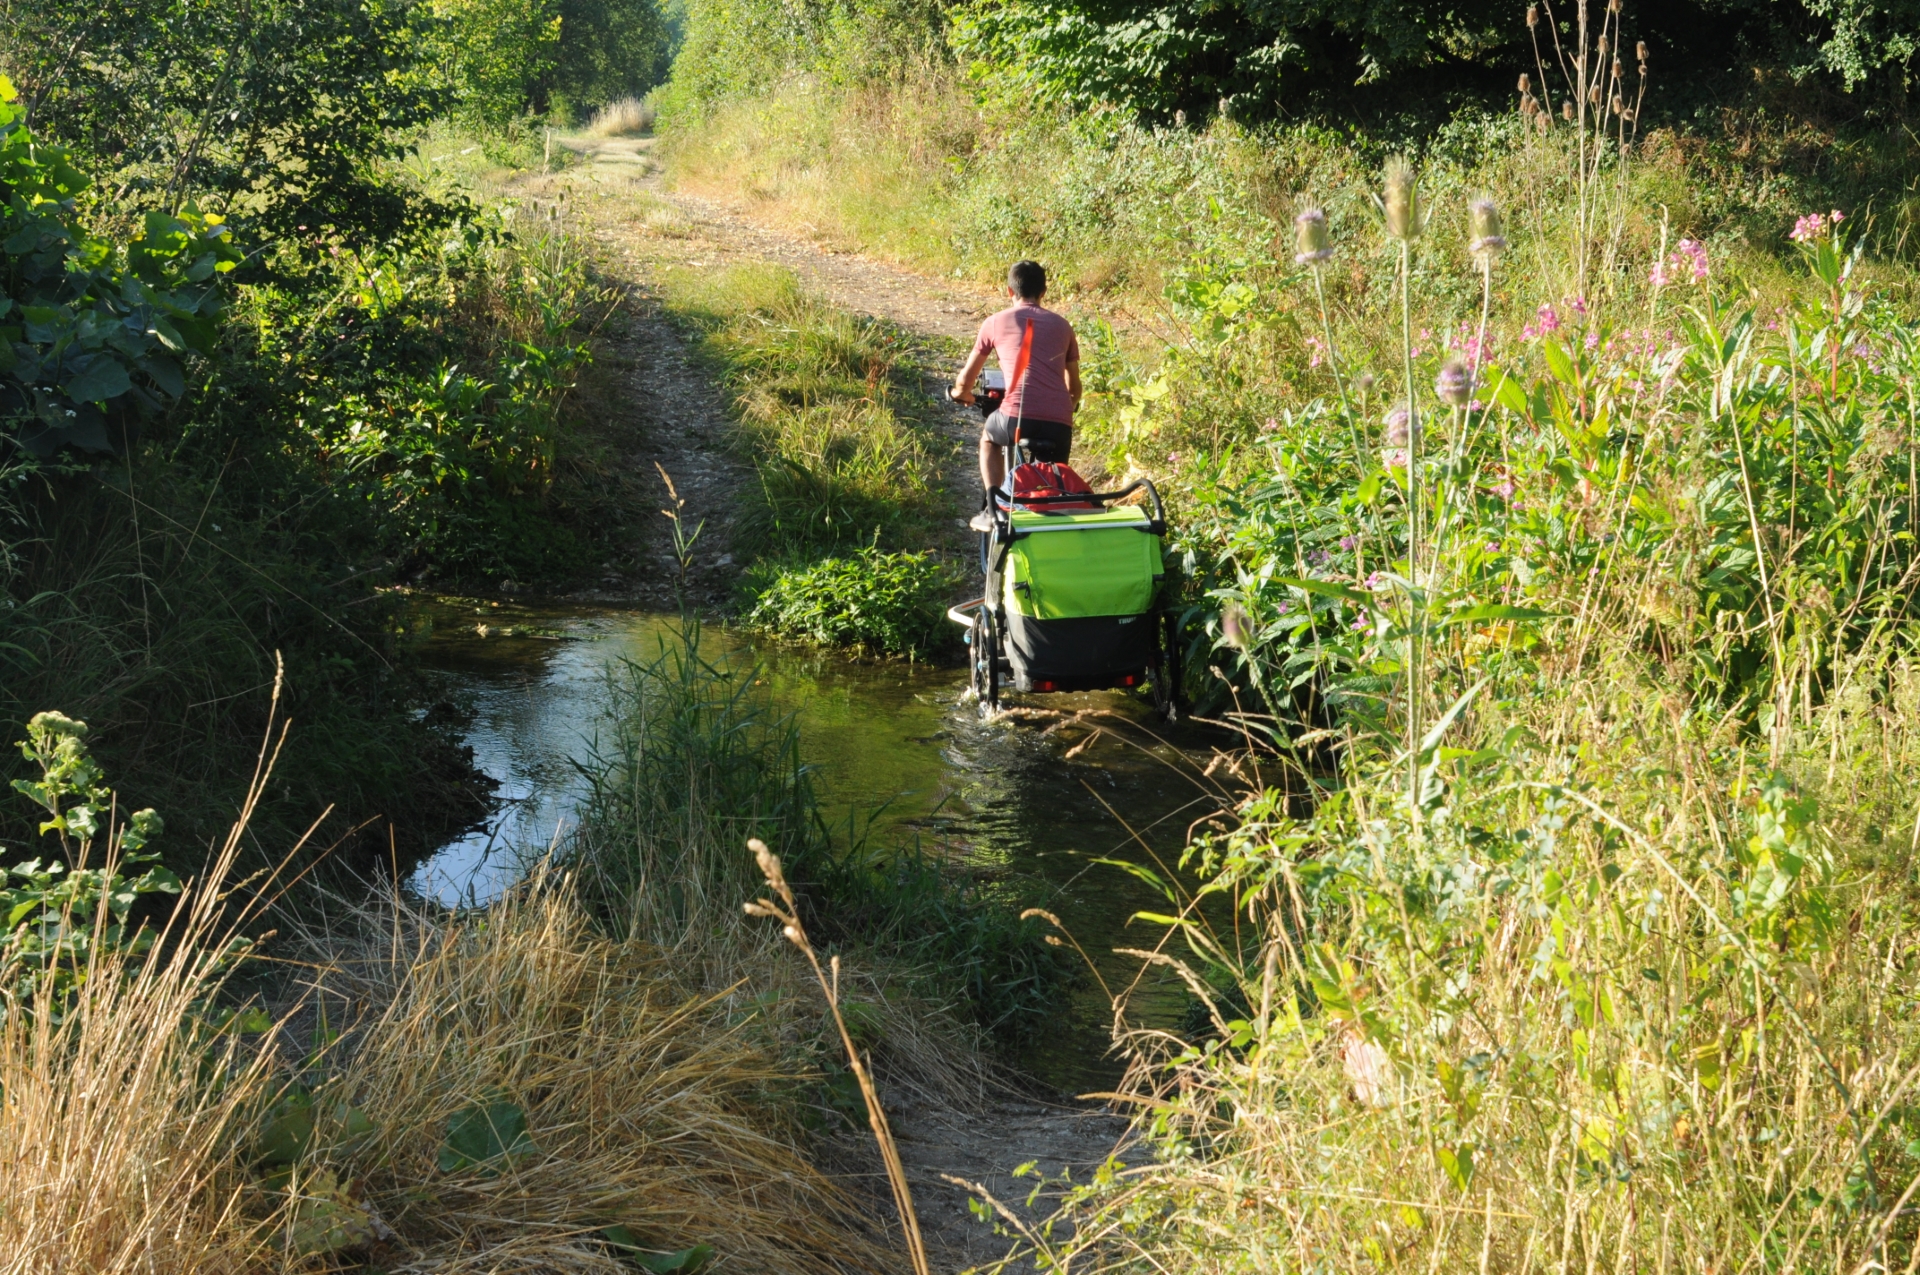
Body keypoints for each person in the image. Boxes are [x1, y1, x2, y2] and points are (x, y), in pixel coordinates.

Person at [951, 260, 1081, 527]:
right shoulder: (1063, 326)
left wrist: (961, 393)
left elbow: (967, 378)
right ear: (1044, 292)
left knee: (989, 437)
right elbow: (1074, 388)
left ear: (1009, 291)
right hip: (1058, 423)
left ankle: (991, 507)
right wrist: (1068, 406)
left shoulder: (995, 322)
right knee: (1053, 485)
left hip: (1014, 418)